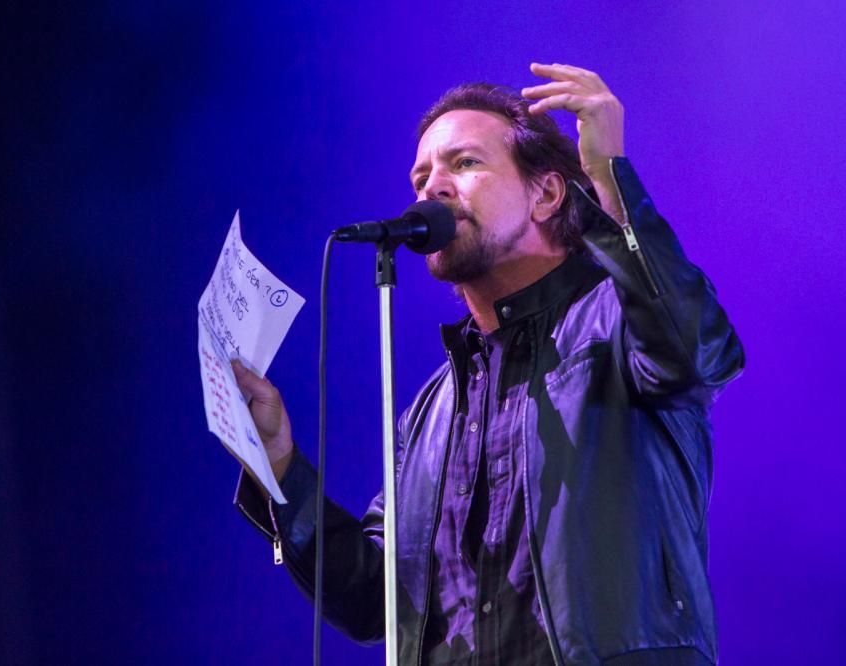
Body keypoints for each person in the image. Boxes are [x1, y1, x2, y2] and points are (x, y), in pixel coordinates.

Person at [231, 62, 744, 665]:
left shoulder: (620, 323)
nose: (432, 188)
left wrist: (611, 181)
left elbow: (698, 352)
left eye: (465, 163)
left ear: (546, 195)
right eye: (421, 176)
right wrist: (278, 465)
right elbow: (376, 600)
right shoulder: (432, 409)